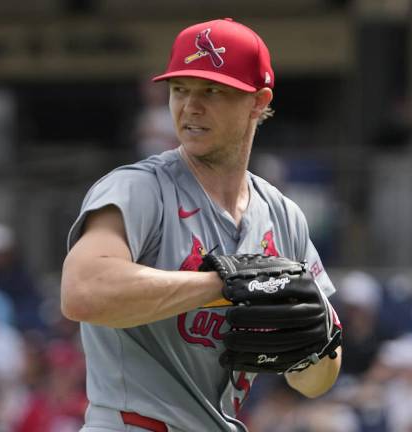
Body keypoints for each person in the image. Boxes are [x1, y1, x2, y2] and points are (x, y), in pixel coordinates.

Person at [61, 18, 341, 432]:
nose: (190, 106)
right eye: (180, 89)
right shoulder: (139, 188)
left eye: (212, 90)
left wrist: (310, 346)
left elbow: (315, 382)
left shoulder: (283, 216)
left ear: (258, 102)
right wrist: (224, 287)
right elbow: (82, 292)